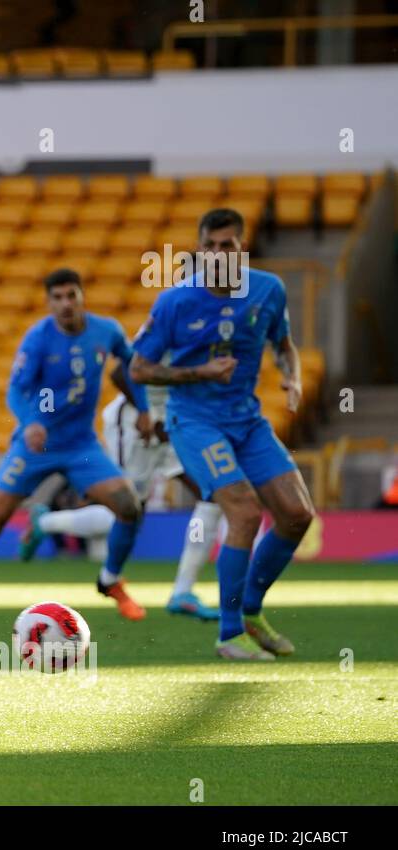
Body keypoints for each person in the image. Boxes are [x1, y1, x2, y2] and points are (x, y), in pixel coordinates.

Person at [130, 208, 315, 661]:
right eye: (209, 246)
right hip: (194, 422)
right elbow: (139, 368)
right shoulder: (175, 302)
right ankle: (229, 634)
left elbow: (283, 344)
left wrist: (293, 378)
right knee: (245, 513)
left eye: (227, 245)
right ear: (199, 250)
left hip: (246, 421)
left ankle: (251, 610)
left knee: (297, 514)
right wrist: (198, 373)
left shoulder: (268, 290)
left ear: (241, 249)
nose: (217, 254)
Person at [0, 268, 147, 631]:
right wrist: (31, 421)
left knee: (128, 506)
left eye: (71, 296)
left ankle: (110, 580)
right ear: (48, 303)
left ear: (81, 297)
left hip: (81, 445)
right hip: (36, 446)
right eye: (57, 298)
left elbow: (130, 364)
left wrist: (142, 408)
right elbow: (16, 390)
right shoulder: (38, 340)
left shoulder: (106, 331)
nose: (65, 304)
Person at [19, 371, 223, 621]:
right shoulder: (162, 332)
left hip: (174, 421)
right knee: (128, 511)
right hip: (134, 424)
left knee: (211, 494)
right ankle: (47, 524)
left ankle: (182, 592)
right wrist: (145, 412)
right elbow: (121, 373)